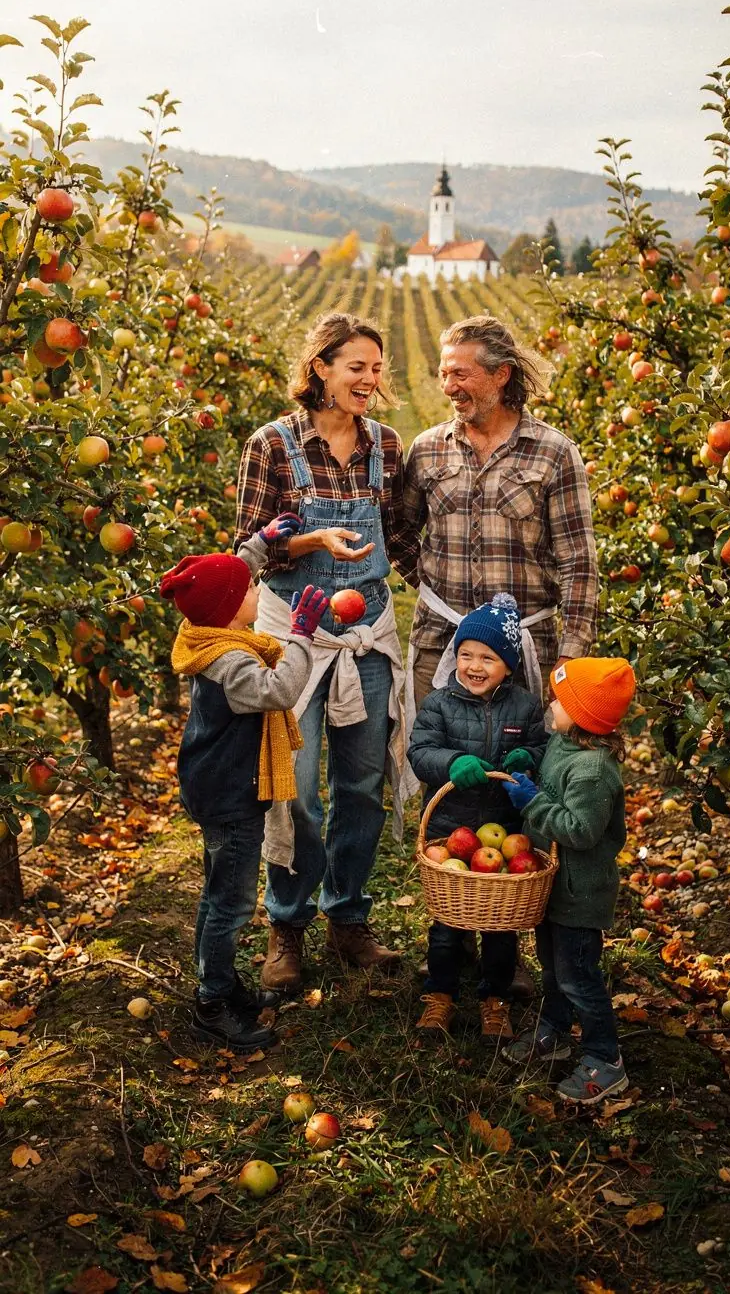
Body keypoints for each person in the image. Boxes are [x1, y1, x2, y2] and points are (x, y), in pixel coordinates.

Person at [402, 314, 599, 997]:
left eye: (460, 372)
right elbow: (402, 531)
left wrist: (566, 667)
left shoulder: (552, 454)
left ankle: (507, 942)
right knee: (446, 782)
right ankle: (449, 933)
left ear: (501, 375)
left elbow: (579, 565)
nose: (448, 385)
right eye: (443, 374)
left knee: (522, 788)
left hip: (531, 647)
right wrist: (433, 600)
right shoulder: (428, 451)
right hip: (444, 639)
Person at [235, 311, 418, 994]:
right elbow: (246, 551)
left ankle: (347, 916)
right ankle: (287, 923)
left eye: (377, 367)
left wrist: (452, 602)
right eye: (356, 367)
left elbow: (398, 540)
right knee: (297, 790)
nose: (370, 379)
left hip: (367, 634)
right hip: (297, 638)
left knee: (361, 789)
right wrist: (310, 543)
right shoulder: (273, 445)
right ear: (320, 368)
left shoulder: (387, 447)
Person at [160, 537, 329, 1049]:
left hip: (215, 785)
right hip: (233, 795)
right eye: (251, 586)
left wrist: (261, 545)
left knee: (217, 896)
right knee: (230, 904)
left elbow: (226, 582)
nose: (256, 585)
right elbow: (278, 690)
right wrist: (300, 637)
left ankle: (221, 982)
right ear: (232, 612)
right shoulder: (234, 661)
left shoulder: (204, 633)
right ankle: (212, 1003)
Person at [408, 594, 548, 1041]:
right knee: (448, 924)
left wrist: (529, 756)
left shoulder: (525, 707)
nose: (474, 665)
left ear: (508, 664)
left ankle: (495, 1001)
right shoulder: (439, 702)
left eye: (487, 657)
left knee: (501, 928)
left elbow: (544, 749)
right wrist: (450, 762)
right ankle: (440, 995)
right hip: (452, 829)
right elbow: (420, 751)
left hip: (504, 832)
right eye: (466, 653)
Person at [500, 656, 636, 1104]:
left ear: (582, 715)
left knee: (579, 975)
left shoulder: (594, 771)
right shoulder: (564, 745)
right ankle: (554, 1031)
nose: (550, 704)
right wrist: (530, 773)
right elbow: (549, 779)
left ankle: (606, 1057)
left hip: (580, 895)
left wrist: (532, 803)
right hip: (550, 886)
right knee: (554, 969)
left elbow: (580, 829)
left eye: (560, 699)